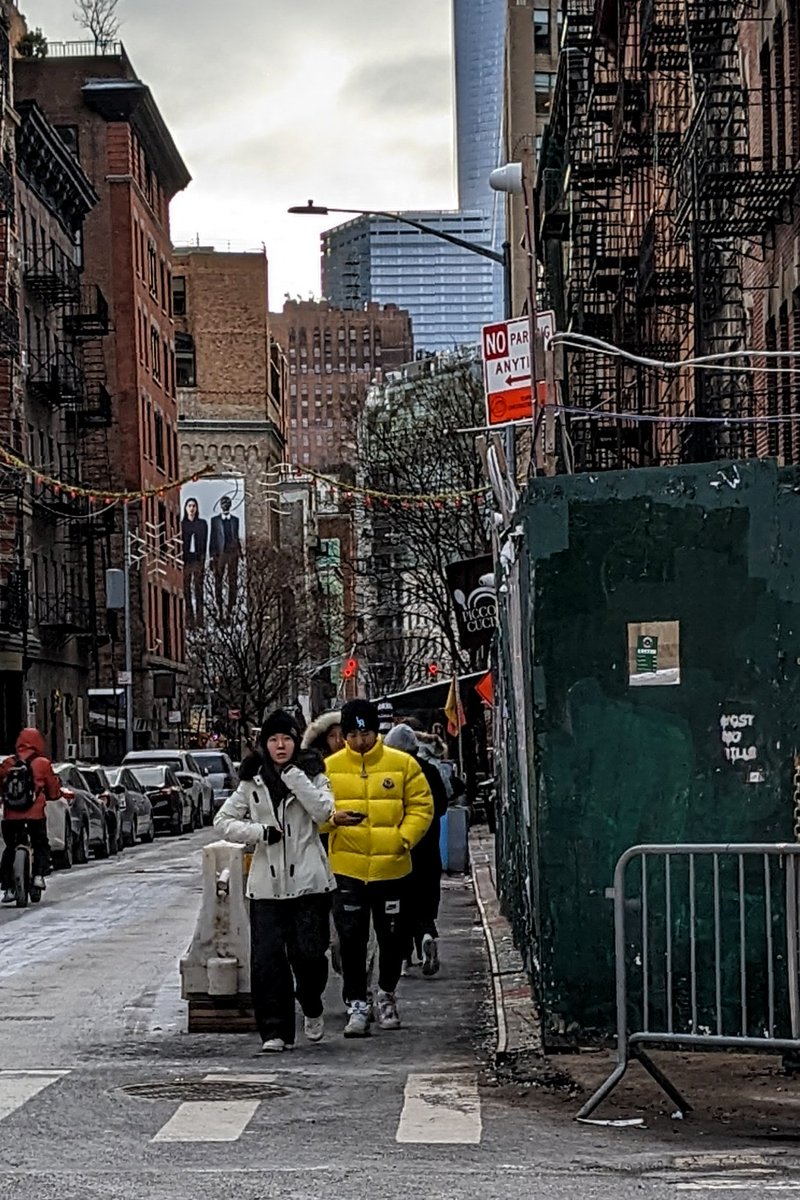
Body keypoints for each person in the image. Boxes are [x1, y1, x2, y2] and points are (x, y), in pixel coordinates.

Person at [214, 709, 336, 1052]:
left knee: (310, 956)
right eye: (273, 739)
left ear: (296, 742)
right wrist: (258, 833)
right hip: (266, 886)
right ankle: (274, 1031)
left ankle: (311, 1003)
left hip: (310, 882)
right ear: (263, 744)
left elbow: (323, 813)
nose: (280, 746)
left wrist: (295, 777)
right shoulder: (251, 781)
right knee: (268, 960)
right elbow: (222, 821)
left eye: (286, 739)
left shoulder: (313, 774)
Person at [325, 698, 433, 1038]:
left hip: (392, 867)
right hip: (347, 868)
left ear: (377, 732)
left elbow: (421, 806)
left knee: (392, 938)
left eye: (366, 733)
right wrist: (331, 821)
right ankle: (357, 1002)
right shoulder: (329, 768)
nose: (360, 741)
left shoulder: (402, 765)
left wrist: (402, 839)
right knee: (351, 940)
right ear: (343, 735)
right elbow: (313, 812)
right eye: (353, 734)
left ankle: (386, 993)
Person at [385, 724, 449, 977]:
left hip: (398, 848)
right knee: (424, 900)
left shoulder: (388, 775)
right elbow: (442, 805)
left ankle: (403, 956)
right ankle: (425, 935)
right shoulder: (430, 771)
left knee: (399, 904)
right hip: (428, 849)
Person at [0, 727, 61, 902]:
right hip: (35, 816)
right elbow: (53, 791)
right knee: (40, 843)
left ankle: (8, 887)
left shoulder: (8, 764)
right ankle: (38, 875)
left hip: (11, 817)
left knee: (10, 847)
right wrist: (51, 796)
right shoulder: (42, 763)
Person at [209, 494, 242, 621]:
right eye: (223, 503)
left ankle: (231, 606)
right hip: (220, 554)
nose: (225, 505)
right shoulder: (215, 521)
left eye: (227, 503)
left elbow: (236, 536)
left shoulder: (235, 520)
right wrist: (212, 557)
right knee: (219, 579)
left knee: (233, 579)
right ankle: (219, 604)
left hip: (232, 553)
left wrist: (240, 552)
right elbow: (212, 539)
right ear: (220, 506)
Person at [181, 497, 208, 629]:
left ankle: (200, 620)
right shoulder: (182, 525)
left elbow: (204, 542)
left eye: (193, 506)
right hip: (186, 560)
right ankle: (189, 620)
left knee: (199, 590)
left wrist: (203, 559)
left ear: (196, 508)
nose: (191, 508)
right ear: (185, 508)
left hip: (198, 560)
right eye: (189, 506)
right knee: (186, 590)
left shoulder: (202, 524)